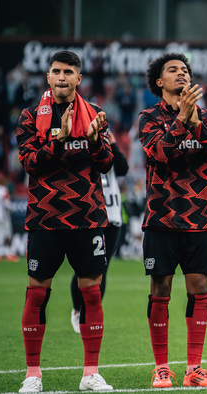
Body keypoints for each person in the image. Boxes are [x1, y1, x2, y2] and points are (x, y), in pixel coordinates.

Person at [15, 50, 114, 393]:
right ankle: (32, 374)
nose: (61, 76)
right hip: (45, 218)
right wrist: (57, 142)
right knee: (37, 295)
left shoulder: (97, 116)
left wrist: (94, 140)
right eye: (56, 70)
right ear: (48, 76)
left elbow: (106, 163)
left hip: (87, 217)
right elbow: (29, 162)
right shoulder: (30, 116)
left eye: (68, 71)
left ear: (78, 79)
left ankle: (91, 373)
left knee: (92, 296)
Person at [140, 53, 207, 388]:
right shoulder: (148, 117)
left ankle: (194, 368)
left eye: (185, 70)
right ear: (159, 82)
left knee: (200, 289)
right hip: (161, 218)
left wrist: (195, 123)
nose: (181, 73)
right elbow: (159, 153)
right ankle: (162, 368)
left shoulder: (205, 116)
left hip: (198, 219)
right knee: (160, 288)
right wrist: (181, 120)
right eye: (173, 70)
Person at [70, 130, 129, 333]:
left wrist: (113, 144)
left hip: (112, 216)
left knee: (102, 269)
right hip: (90, 215)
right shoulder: (82, 147)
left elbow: (123, 169)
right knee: (84, 268)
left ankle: (92, 311)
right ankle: (78, 309)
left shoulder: (108, 148)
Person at [0, 171, 18, 262]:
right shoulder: (4, 190)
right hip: (3, 216)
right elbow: (6, 204)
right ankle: (9, 253)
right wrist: (12, 209)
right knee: (7, 235)